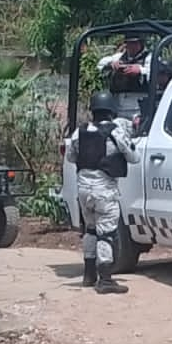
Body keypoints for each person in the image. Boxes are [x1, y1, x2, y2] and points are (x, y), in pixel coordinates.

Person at [65, 90, 140, 294]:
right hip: (105, 189)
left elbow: (71, 157)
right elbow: (134, 157)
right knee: (106, 233)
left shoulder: (79, 131)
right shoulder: (115, 132)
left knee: (90, 229)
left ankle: (89, 274)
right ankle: (105, 279)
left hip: (83, 189)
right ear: (111, 111)